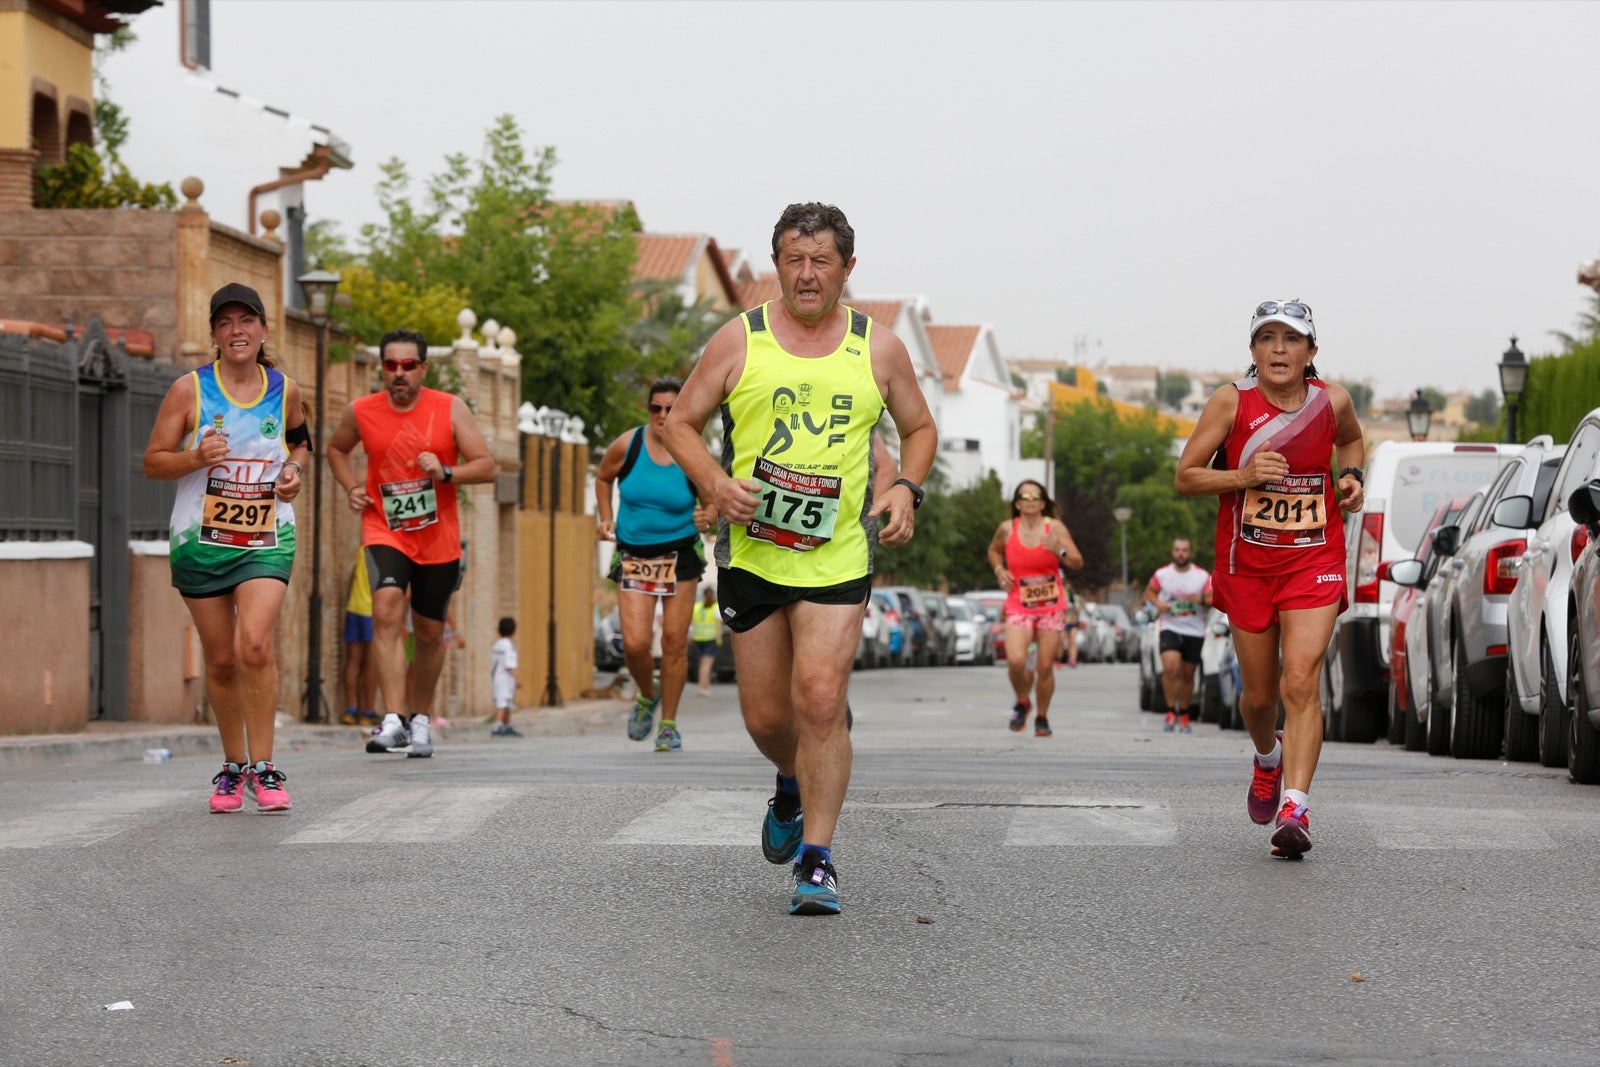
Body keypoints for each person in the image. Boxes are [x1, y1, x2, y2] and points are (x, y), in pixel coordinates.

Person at [663, 201, 937, 915]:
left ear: (848, 268)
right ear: (776, 265)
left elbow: (919, 426)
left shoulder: (878, 349)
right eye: (794, 259)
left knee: (819, 700)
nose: (807, 274)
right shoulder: (737, 341)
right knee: (765, 717)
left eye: (822, 261)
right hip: (753, 551)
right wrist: (716, 483)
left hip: (838, 552)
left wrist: (906, 485)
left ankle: (817, 859)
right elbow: (681, 423)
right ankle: (790, 779)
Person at [1175, 299, 1365, 859]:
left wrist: (1350, 475)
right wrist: (1242, 474)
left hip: (1314, 558)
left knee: (1300, 681)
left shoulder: (1333, 401)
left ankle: (1296, 806)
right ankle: (1266, 758)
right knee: (1259, 698)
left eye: (1291, 338)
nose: (1279, 349)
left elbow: (1351, 440)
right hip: (1248, 565)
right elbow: (1186, 477)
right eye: (1267, 338)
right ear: (1253, 350)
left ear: (1311, 352)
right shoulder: (1231, 402)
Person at [142, 282, 309, 813]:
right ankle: (232, 767)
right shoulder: (189, 391)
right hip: (201, 540)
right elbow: (152, 461)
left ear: (263, 329)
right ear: (215, 334)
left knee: (254, 644)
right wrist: (195, 458)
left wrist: (294, 470)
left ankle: (265, 768)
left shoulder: (285, 389)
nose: (237, 331)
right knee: (220, 661)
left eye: (247, 321)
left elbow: (300, 439)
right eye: (225, 323)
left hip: (266, 536)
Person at [326, 327, 497, 759]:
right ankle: (393, 718)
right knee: (385, 609)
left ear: (423, 368)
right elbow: (336, 449)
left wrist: (445, 472)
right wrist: (350, 487)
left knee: (429, 631)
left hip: (437, 538)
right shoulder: (362, 411)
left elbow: (487, 466)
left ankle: (419, 718)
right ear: (382, 368)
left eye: (407, 365)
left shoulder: (449, 408)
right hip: (384, 528)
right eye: (390, 365)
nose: (398, 373)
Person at [595, 378, 716, 752]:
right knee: (634, 643)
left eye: (671, 408)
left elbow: (715, 495)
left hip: (680, 554)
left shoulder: (692, 451)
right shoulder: (628, 445)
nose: (663, 415)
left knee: (675, 641)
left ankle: (668, 724)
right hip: (634, 554)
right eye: (655, 408)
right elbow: (602, 477)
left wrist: (707, 517)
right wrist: (605, 517)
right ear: (647, 410)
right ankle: (647, 694)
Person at [986, 480, 1084, 737]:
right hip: (1019, 603)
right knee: (1016, 660)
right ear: (1017, 503)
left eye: (1035, 495)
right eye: (1024, 495)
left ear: (1042, 502)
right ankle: (1023, 700)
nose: (1030, 499)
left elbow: (1077, 561)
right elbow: (994, 551)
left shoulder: (1055, 528)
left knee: (1044, 667)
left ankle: (1042, 716)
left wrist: (1059, 550)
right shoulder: (1007, 529)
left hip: (1051, 606)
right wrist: (999, 570)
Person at [1143, 537, 1212, 732]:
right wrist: (1158, 605)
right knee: (1170, 668)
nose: (1180, 553)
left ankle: (1184, 713)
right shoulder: (1163, 574)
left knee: (1188, 675)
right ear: (1172, 552)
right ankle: (1170, 710)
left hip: (1194, 629)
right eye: (1177, 550)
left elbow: (1211, 598)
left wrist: (1200, 599)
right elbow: (1149, 592)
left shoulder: (1201, 576)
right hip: (1170, 626)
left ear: (1190, 553)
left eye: (1184, 550)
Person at [341, 551, 378, 727]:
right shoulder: (383, 552)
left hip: (354, 608)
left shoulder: (362, 551)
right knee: (371, 663)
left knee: (353, 661)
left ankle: (351, 709)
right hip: (371, 611)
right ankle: (368, 711)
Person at [489, 616, 521, 737]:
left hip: (497, 677)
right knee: (502, 703)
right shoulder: (509, 646)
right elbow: (509, 665)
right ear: (514, 631)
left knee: (507, 703)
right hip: (505, 678)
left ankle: (507, 725)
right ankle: (497, 726)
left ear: (498, 630)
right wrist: (517, 678)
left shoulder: (497, 644)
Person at [690, 583, 721, 696]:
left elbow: (691, 623)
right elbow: (718, 624)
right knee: (706, 665)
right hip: (711, 639)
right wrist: (718, 639)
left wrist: (691, 635)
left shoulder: (696, 606)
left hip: (697, 638)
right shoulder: (716, 607)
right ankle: (704, 688)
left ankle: (702, 687)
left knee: (702, 665)